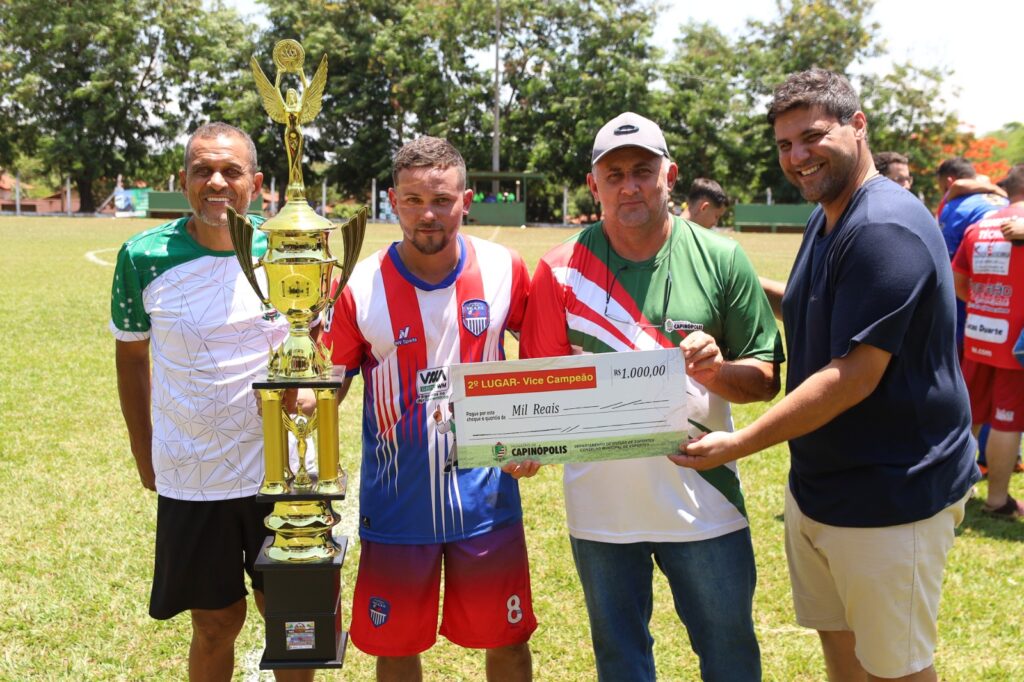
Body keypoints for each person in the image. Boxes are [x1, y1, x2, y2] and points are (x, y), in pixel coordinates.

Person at [676, 69, 979, 682]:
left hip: (894, 494)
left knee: (898, 670)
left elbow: (854, 375)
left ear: (858, 125)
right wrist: (733, 281)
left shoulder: (883, 226)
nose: (797, 156)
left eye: (812, 136)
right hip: (825, 487)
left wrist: (740, 442)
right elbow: (818, 300)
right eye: (785, 144)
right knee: (842, 655)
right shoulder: (831, 213)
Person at [517, 111, 783, 681]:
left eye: (643, 170)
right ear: (594, 184)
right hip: (601, 510)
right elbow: (537, 390)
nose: (629, 186)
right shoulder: (559, 270)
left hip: (704, 500)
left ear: (670, 174)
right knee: (620, 661)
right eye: (613, 175)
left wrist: (717, 371)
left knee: (730, 654)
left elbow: (765, 379)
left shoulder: (721, 256)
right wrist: (523, 445)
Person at [322, 136, 535, 681]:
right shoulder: (358, 287)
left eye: (441, 199)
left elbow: (542, 363)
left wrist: (535, 435)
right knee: (396, 648)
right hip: (397, 506)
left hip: (486, 503)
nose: (428, 214)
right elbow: (329, 387)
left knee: (507, 642)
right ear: (393, 201)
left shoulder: (505, 269)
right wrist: (297, 397)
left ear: (465, 200)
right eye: (414, 200)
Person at [112, 122, 312, 682]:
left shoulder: (292, 254)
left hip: (283, 471)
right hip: (194, 473)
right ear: (185, 180)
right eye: (203, 170)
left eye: (231, 171)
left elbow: (311, 349)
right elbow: (131, 359)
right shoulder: (143, 257)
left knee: (293, 616)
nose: (216, 182)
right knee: (216, 622)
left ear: (257, 183)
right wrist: (143, 451)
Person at [952, 163, 1024, 518]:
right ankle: (998, 500)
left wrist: (989, 307)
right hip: (1016, 344)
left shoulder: (980, 227)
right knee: (1007, 419)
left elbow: (958, 282)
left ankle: (954, 492)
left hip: (979, 331)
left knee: (969, 416)